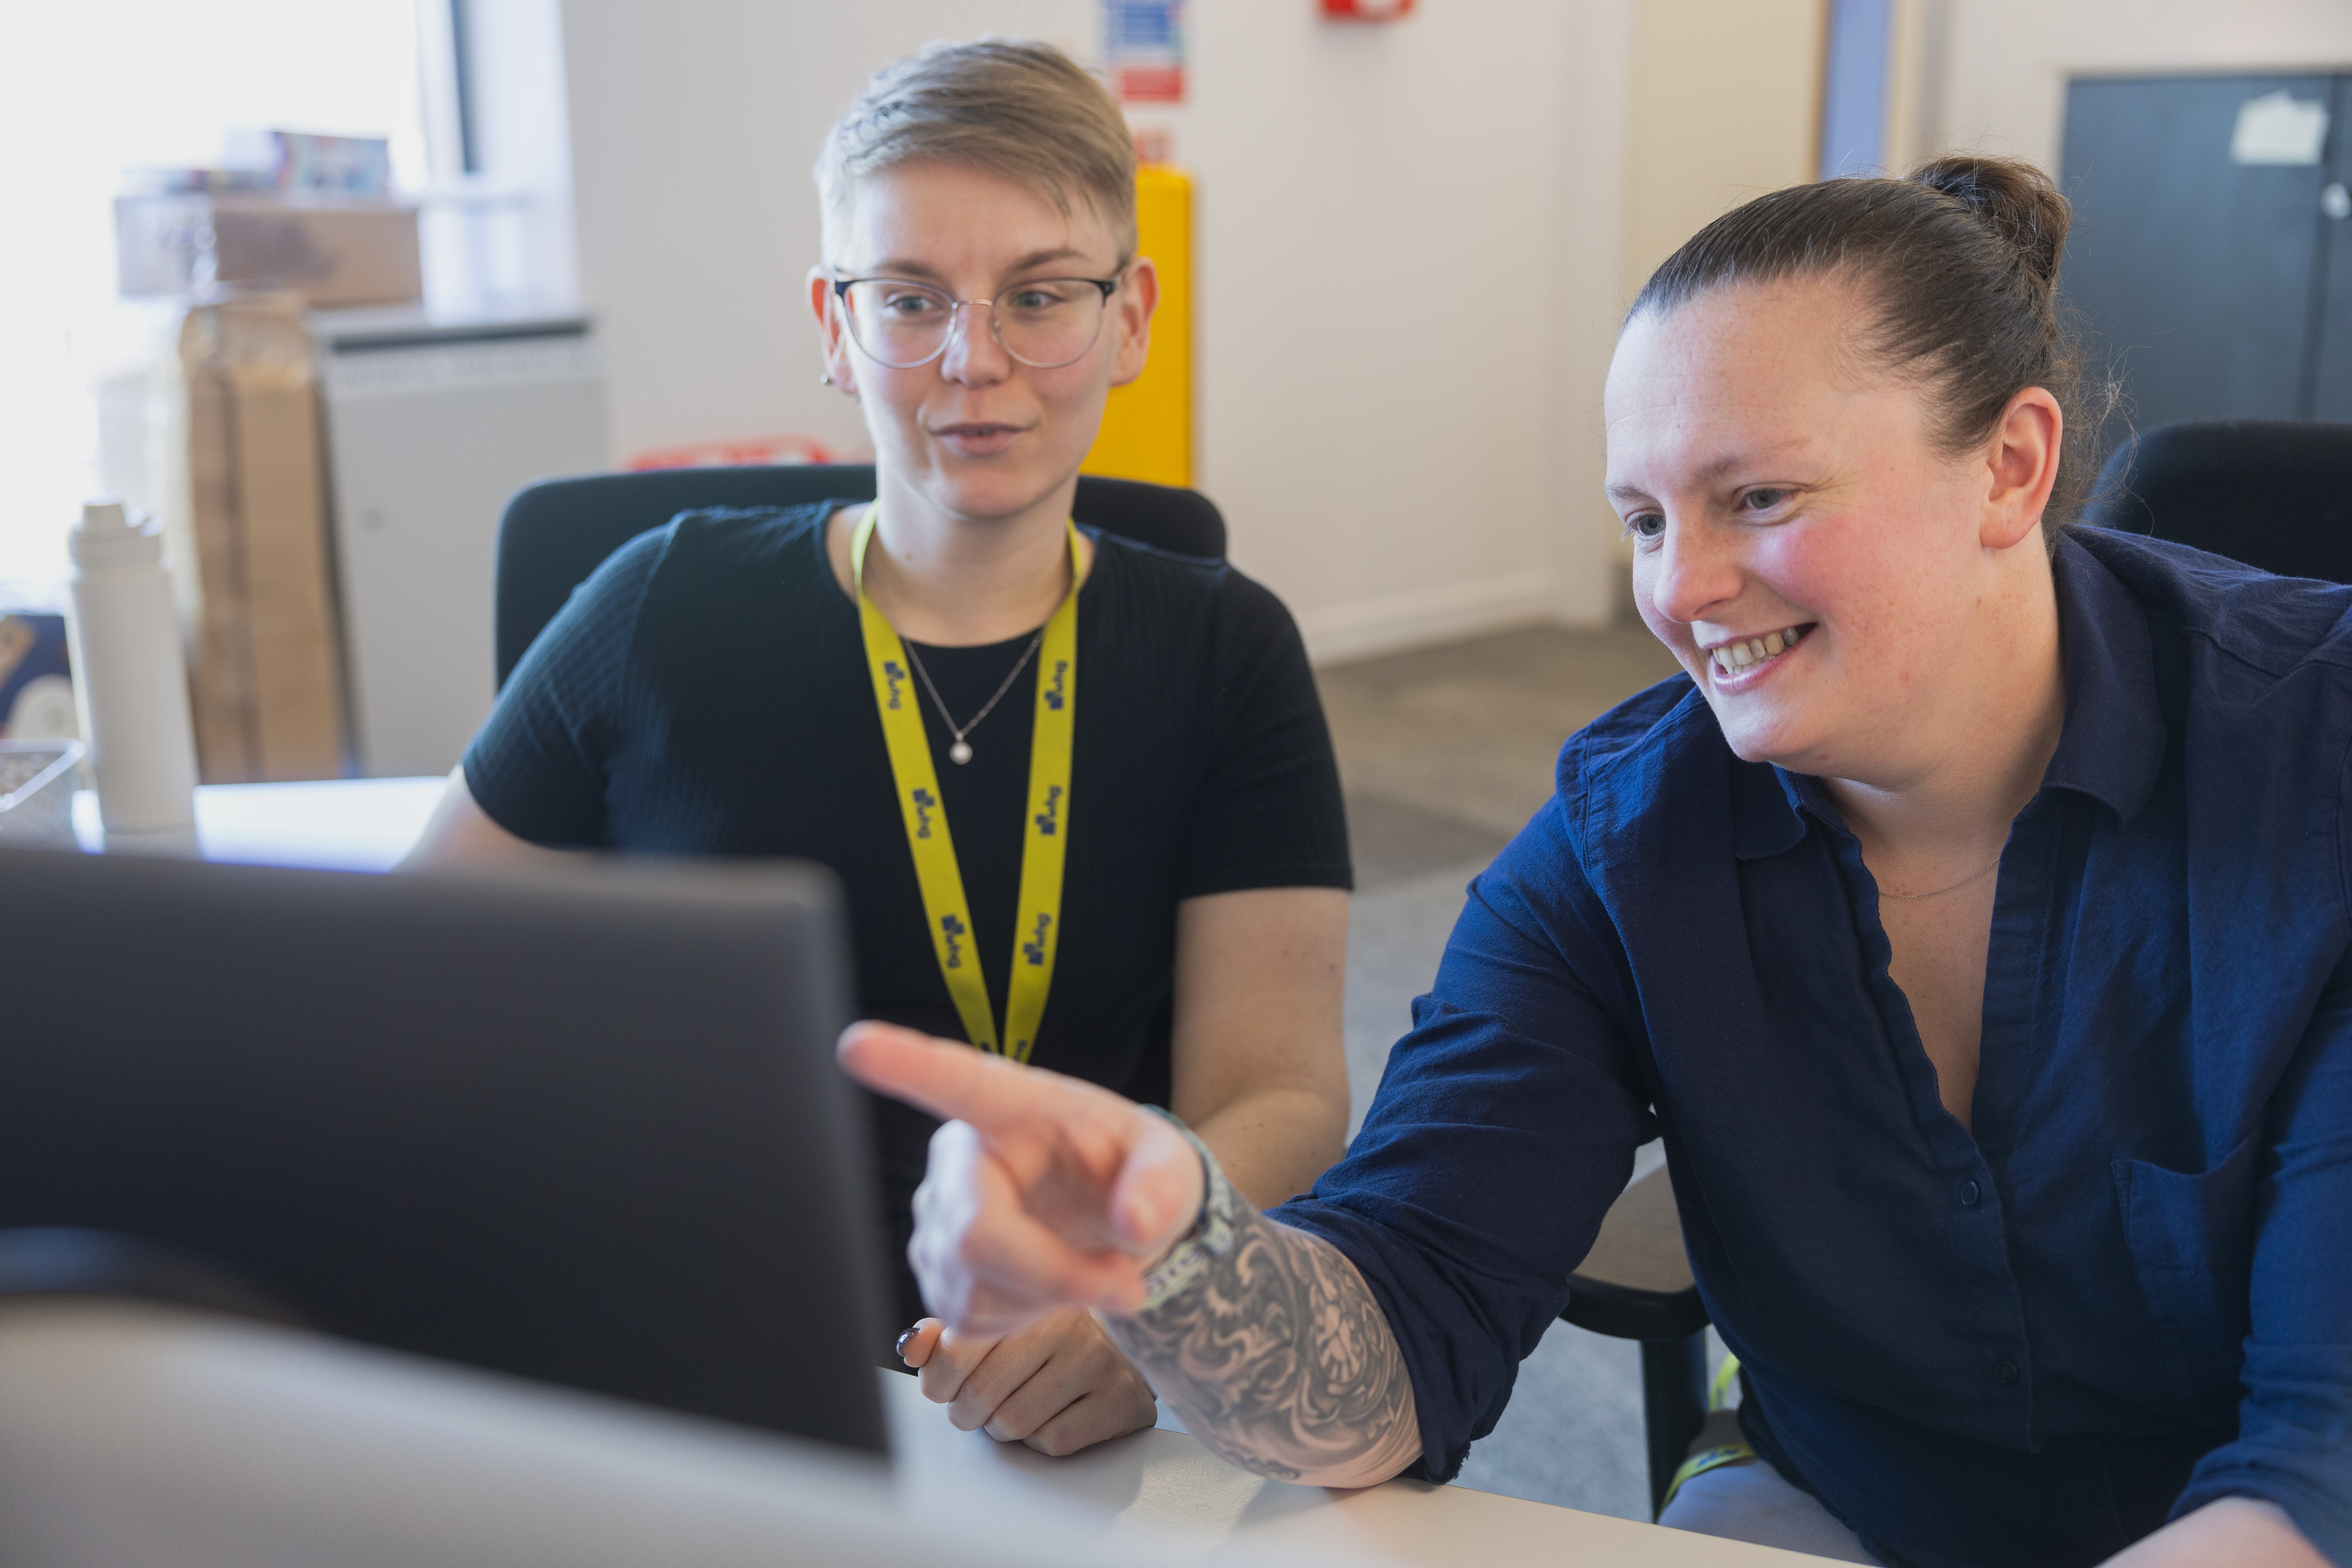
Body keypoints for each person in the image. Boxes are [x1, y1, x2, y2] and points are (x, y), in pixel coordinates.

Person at [842, 154, 2350, 1568]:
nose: (1682, 593)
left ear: (2012, 469)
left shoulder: (2316, 760)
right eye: (1644, 517)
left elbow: (2321, 1461)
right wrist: (1173, 1248)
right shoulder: (1630, 841)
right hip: (1848, 1496)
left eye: (1759, 497)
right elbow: (1393, 1340)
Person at [403, 40, 1354, 1458]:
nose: (976, 363)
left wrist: (1150, 1292)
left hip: (1053, 1342)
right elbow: (420, 964)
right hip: (678, 1341)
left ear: (1131, 316)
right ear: (836, 327)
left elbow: (1278, 1090)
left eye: (1041, 296)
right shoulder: (661, 607)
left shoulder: (1227, 652)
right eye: (910, 300)